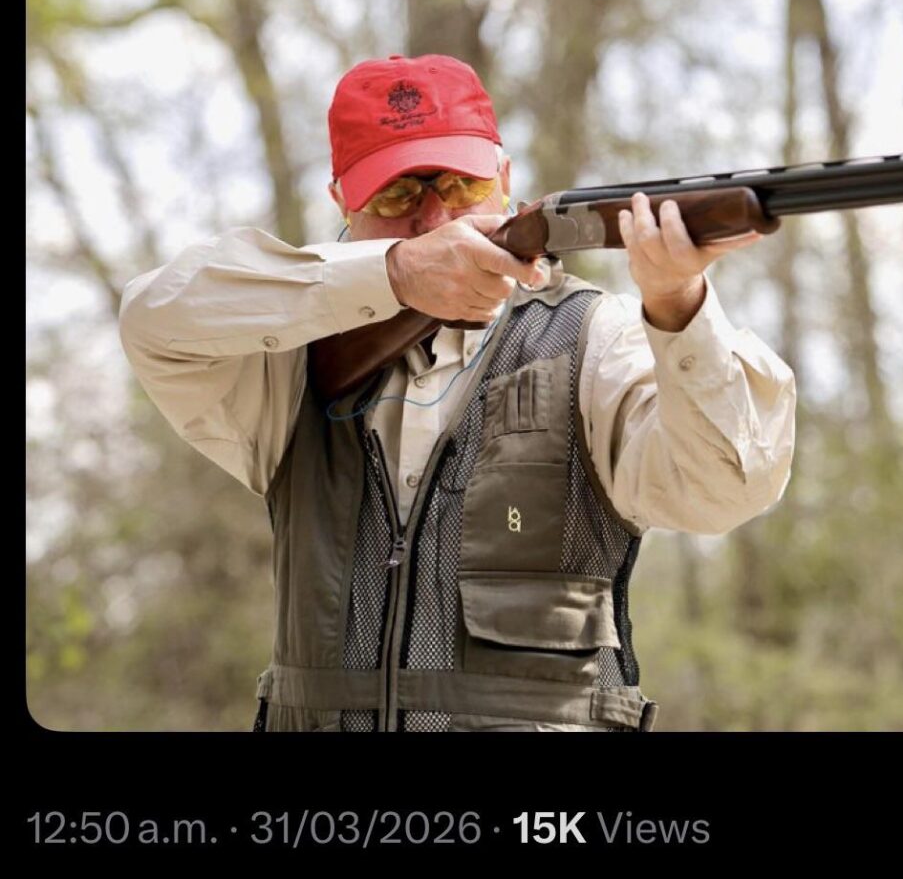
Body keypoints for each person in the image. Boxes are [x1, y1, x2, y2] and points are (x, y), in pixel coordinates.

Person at [119, 54, 795, 732]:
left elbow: (724, 492)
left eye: (460, 185)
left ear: (504, 180)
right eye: (396, 196)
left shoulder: (594, 337)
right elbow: (154, 318)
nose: (435, 217)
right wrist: (391, 277)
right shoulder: (289, 359)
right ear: (341, 204)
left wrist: (678, 304)